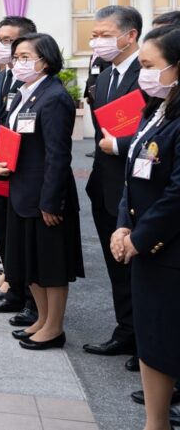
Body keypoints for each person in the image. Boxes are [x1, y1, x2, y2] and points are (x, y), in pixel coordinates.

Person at [0, 33, 84, 350]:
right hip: (21, 191)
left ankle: (54, 327)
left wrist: (51, 201)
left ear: (45, 60)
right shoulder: (23, 93)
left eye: (25, 56)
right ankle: (42, 320)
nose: (18, 62)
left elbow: (58, 155)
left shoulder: (54, 96)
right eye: (16, 57)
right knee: (30, 263)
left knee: (51, 266)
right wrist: (0, 164)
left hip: (45, 195)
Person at [112, 25, 180, 430]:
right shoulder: (155, 109)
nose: (144, 74)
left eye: (150, 66)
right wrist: (123, 226)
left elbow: (176, 193)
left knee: (165, 338)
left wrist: (139, 238)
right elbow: (132, 176)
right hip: (143, 241)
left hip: (167, 250)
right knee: (152, 339)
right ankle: (155, 422)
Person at [83, 5, 143, 367]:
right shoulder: (104, 76)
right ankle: (126, 330)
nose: (97, 41)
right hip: (105, 186)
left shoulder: (150, 73)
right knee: (116, 266)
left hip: (139, 188)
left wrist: (120, 145)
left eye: (104, 34)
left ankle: (148, 345)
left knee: (141, 269)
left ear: (130, 35)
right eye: (95, 35)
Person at [0, 16, 38, 322]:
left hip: (21, 171)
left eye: (6, 41)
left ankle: (30, 298)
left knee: (22, 237)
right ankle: (14, 288)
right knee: (2, 229)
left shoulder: (29, 81)